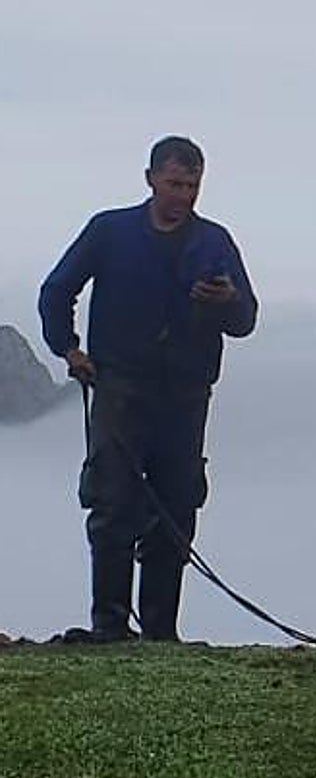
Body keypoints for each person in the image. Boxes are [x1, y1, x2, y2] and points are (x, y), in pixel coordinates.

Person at [38, 136, 258, 642]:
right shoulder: (109, 231)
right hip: (118, 388)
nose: (184, 195)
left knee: (176, 507)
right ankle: (110, 628)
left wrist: (226, 300)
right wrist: (68, 349)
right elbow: (57, 290)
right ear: (151, 179)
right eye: (175, 183)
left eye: (193, 185)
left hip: (186, 395)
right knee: (112, 504)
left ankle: (161, 634)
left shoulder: (215, 241)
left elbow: (245, 320)